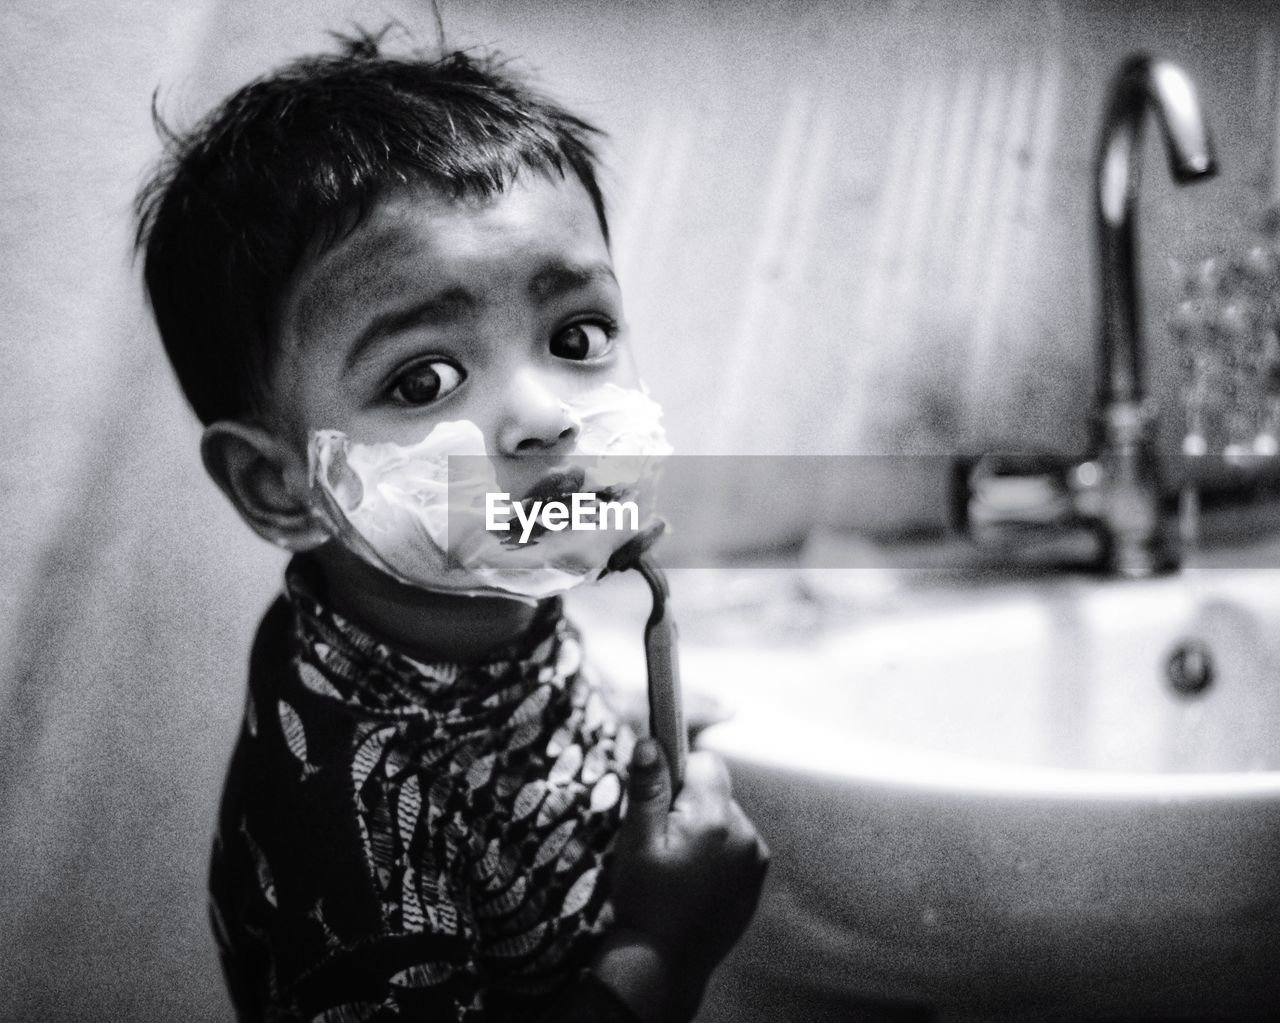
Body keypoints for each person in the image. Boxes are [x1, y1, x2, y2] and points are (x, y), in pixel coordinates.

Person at [134, 26, 769, 1023]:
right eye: (423, 377)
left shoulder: (457, 599)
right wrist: (663, 948)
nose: (548, 418)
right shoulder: (348, 816)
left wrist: (606, 723)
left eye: (576, 336)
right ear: (279, 485)